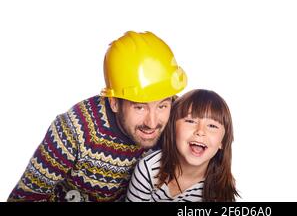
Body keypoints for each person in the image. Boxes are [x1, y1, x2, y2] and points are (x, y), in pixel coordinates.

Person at [7, 31, 187, 202]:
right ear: (114, 102)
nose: (152, 122)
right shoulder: (74, 131)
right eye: (139, 107)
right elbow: (25, 196)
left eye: (162, 105)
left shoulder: (180, 117)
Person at [126, 89, 239, 202]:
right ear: (173, 129)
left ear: (222, 142)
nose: (200, 131)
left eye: (212, 126)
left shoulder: (219, 193)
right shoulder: (149, 169)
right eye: (190, 121)